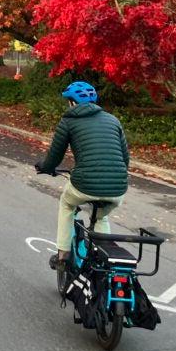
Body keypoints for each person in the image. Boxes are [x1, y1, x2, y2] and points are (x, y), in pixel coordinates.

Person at [35, 81, 130, 270]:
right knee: (101, 216)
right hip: (118, 187)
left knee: (67, 203)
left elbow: (54, 156)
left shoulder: (69, 121)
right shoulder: (113, 120)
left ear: (72, 102)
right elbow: (125, 158)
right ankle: (105, 257)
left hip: (85, 184)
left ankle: (62, 255)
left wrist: (45, 167)